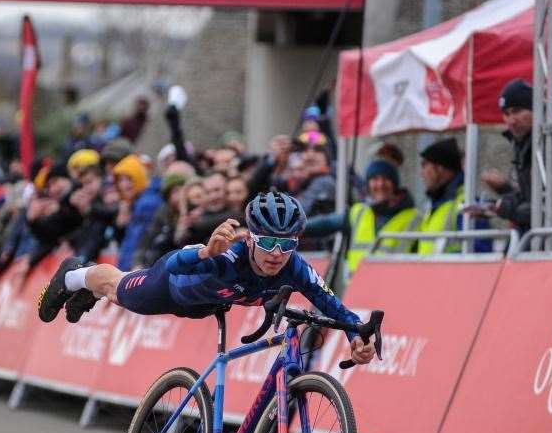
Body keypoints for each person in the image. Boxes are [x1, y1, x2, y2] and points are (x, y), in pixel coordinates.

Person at [36, 192, 376, 366]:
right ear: (251, 238)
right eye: (268, 242)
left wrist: (356, 336)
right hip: (172, 287)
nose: (277, 253)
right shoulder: (228, 256)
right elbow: (171, 267)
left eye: (286, 244)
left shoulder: (294, 266)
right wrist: (204, 254)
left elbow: (334, 306)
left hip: (210, 302)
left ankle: (91, 290)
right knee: (119, 289)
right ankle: (75, 275)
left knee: (111, 291)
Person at [304, 158, 418, 274]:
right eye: (375, 179)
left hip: (394, 287)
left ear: (395, 184)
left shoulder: (414, 217)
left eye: (386, 179)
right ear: (368, 185)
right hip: (357, 288)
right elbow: (326, 223)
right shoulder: (359, 212)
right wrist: (294, 228)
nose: (380, 184)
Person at [480, 79, 533, 232]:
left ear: (534, 109)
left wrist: (506, 208)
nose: (511, 120)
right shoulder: (521, 144)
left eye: (517, 111)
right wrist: (504, 192)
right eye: (506, 113)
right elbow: (529, 197)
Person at [418, 137, 465, 254]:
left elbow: (478, 253)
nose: (422, 173)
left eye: (425, 165)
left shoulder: (465, 204)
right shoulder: (435, 204)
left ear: (440, 168)